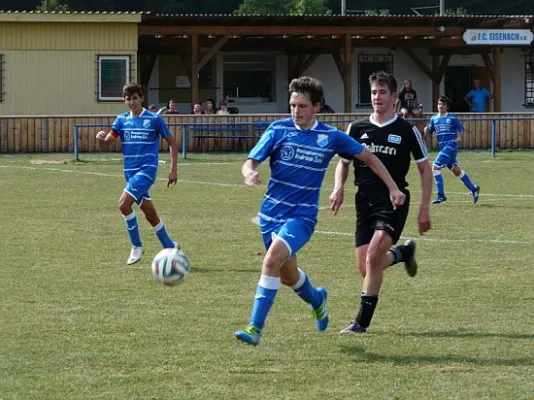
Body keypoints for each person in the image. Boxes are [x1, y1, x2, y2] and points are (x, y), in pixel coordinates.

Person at [234, 76, 406, 346]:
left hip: (301, 217)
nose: (295, 112)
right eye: (292, 105)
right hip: (270, 217)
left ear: (317, 107)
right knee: (288, 275)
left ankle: (254, 328)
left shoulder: (330, 137)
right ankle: (317, 300)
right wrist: (249, 173)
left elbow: (370, 158)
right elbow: (250, 161)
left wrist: (394, 188)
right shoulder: (277, 130)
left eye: (302, 106)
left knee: (270, 261)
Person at [329, 71, 432, 334]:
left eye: (382, 92)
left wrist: (424, 209)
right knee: (366, 267)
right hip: (364, 202)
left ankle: (360, 324)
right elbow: (343, 163)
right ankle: (402, 254)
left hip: (394, 201)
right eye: (374, 92)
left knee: (374, 257)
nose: (377, 97)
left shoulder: (406, 130)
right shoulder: (357, 128)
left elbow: (424, 170)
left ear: (395, 97)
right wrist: (338, 187)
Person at [95, 83, 179, 265]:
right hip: (129, 174)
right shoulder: (121, 121)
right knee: (149, 214)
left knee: (123, 205)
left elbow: (172, 143)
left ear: (141, 98)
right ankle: (170, 246)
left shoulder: (154, 120)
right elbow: (107, 144)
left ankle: (136, 245)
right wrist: (101, 139)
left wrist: (173, 170)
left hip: (146, 172)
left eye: (135, 98)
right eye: (128, 99)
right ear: (124, 101)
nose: (132, 102)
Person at [424, 95, 480, 204]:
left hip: (451, 145)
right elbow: (429, 134)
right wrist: (426, 131)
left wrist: (459, 138)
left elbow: (460, 129)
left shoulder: (452, 118)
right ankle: (474, 189)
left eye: (443, 104)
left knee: (435, 168)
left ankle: (441, 195)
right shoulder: (433, 119)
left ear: (447, 107)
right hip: (443, 147)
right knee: (456, 171)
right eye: (439, 104)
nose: (441, 106)